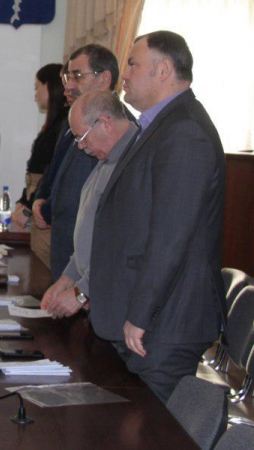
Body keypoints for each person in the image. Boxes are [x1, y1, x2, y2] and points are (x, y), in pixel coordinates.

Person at [88, 31, 226, 403]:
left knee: (152, 426)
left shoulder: (185, 132)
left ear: (163, 70)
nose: (125, 74)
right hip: (152, 317)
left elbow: (171, 236)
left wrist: (141, 314)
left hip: (166, 321)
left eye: (133, 64)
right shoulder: (160, 124)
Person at [40, 90, 136, 320]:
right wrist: (67, 279)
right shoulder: (106, 158)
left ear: (105, 124)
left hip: (121, 306)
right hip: (97, 297)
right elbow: (90, 236)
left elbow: (123, 244)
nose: (81, 147)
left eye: (81, 137)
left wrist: (81, 293)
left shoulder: (134, 161)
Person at [31, 44, 122, 275]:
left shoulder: (117, 125)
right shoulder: (71, 121)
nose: (69, 85)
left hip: (87, 254)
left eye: (78, 76)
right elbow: (55, 169)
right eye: (67, 77)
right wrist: (41, 198)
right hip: (62, 242)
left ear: (104, 79)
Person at [11, 63, 67, 265]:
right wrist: (23, 200)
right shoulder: (54, 122)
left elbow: (51, 174)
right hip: (35, 201)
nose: (35, 94)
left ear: (50, 86)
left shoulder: (65, 123)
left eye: (37, 87)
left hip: (45, 209)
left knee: (43, 269)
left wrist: (28, 206)